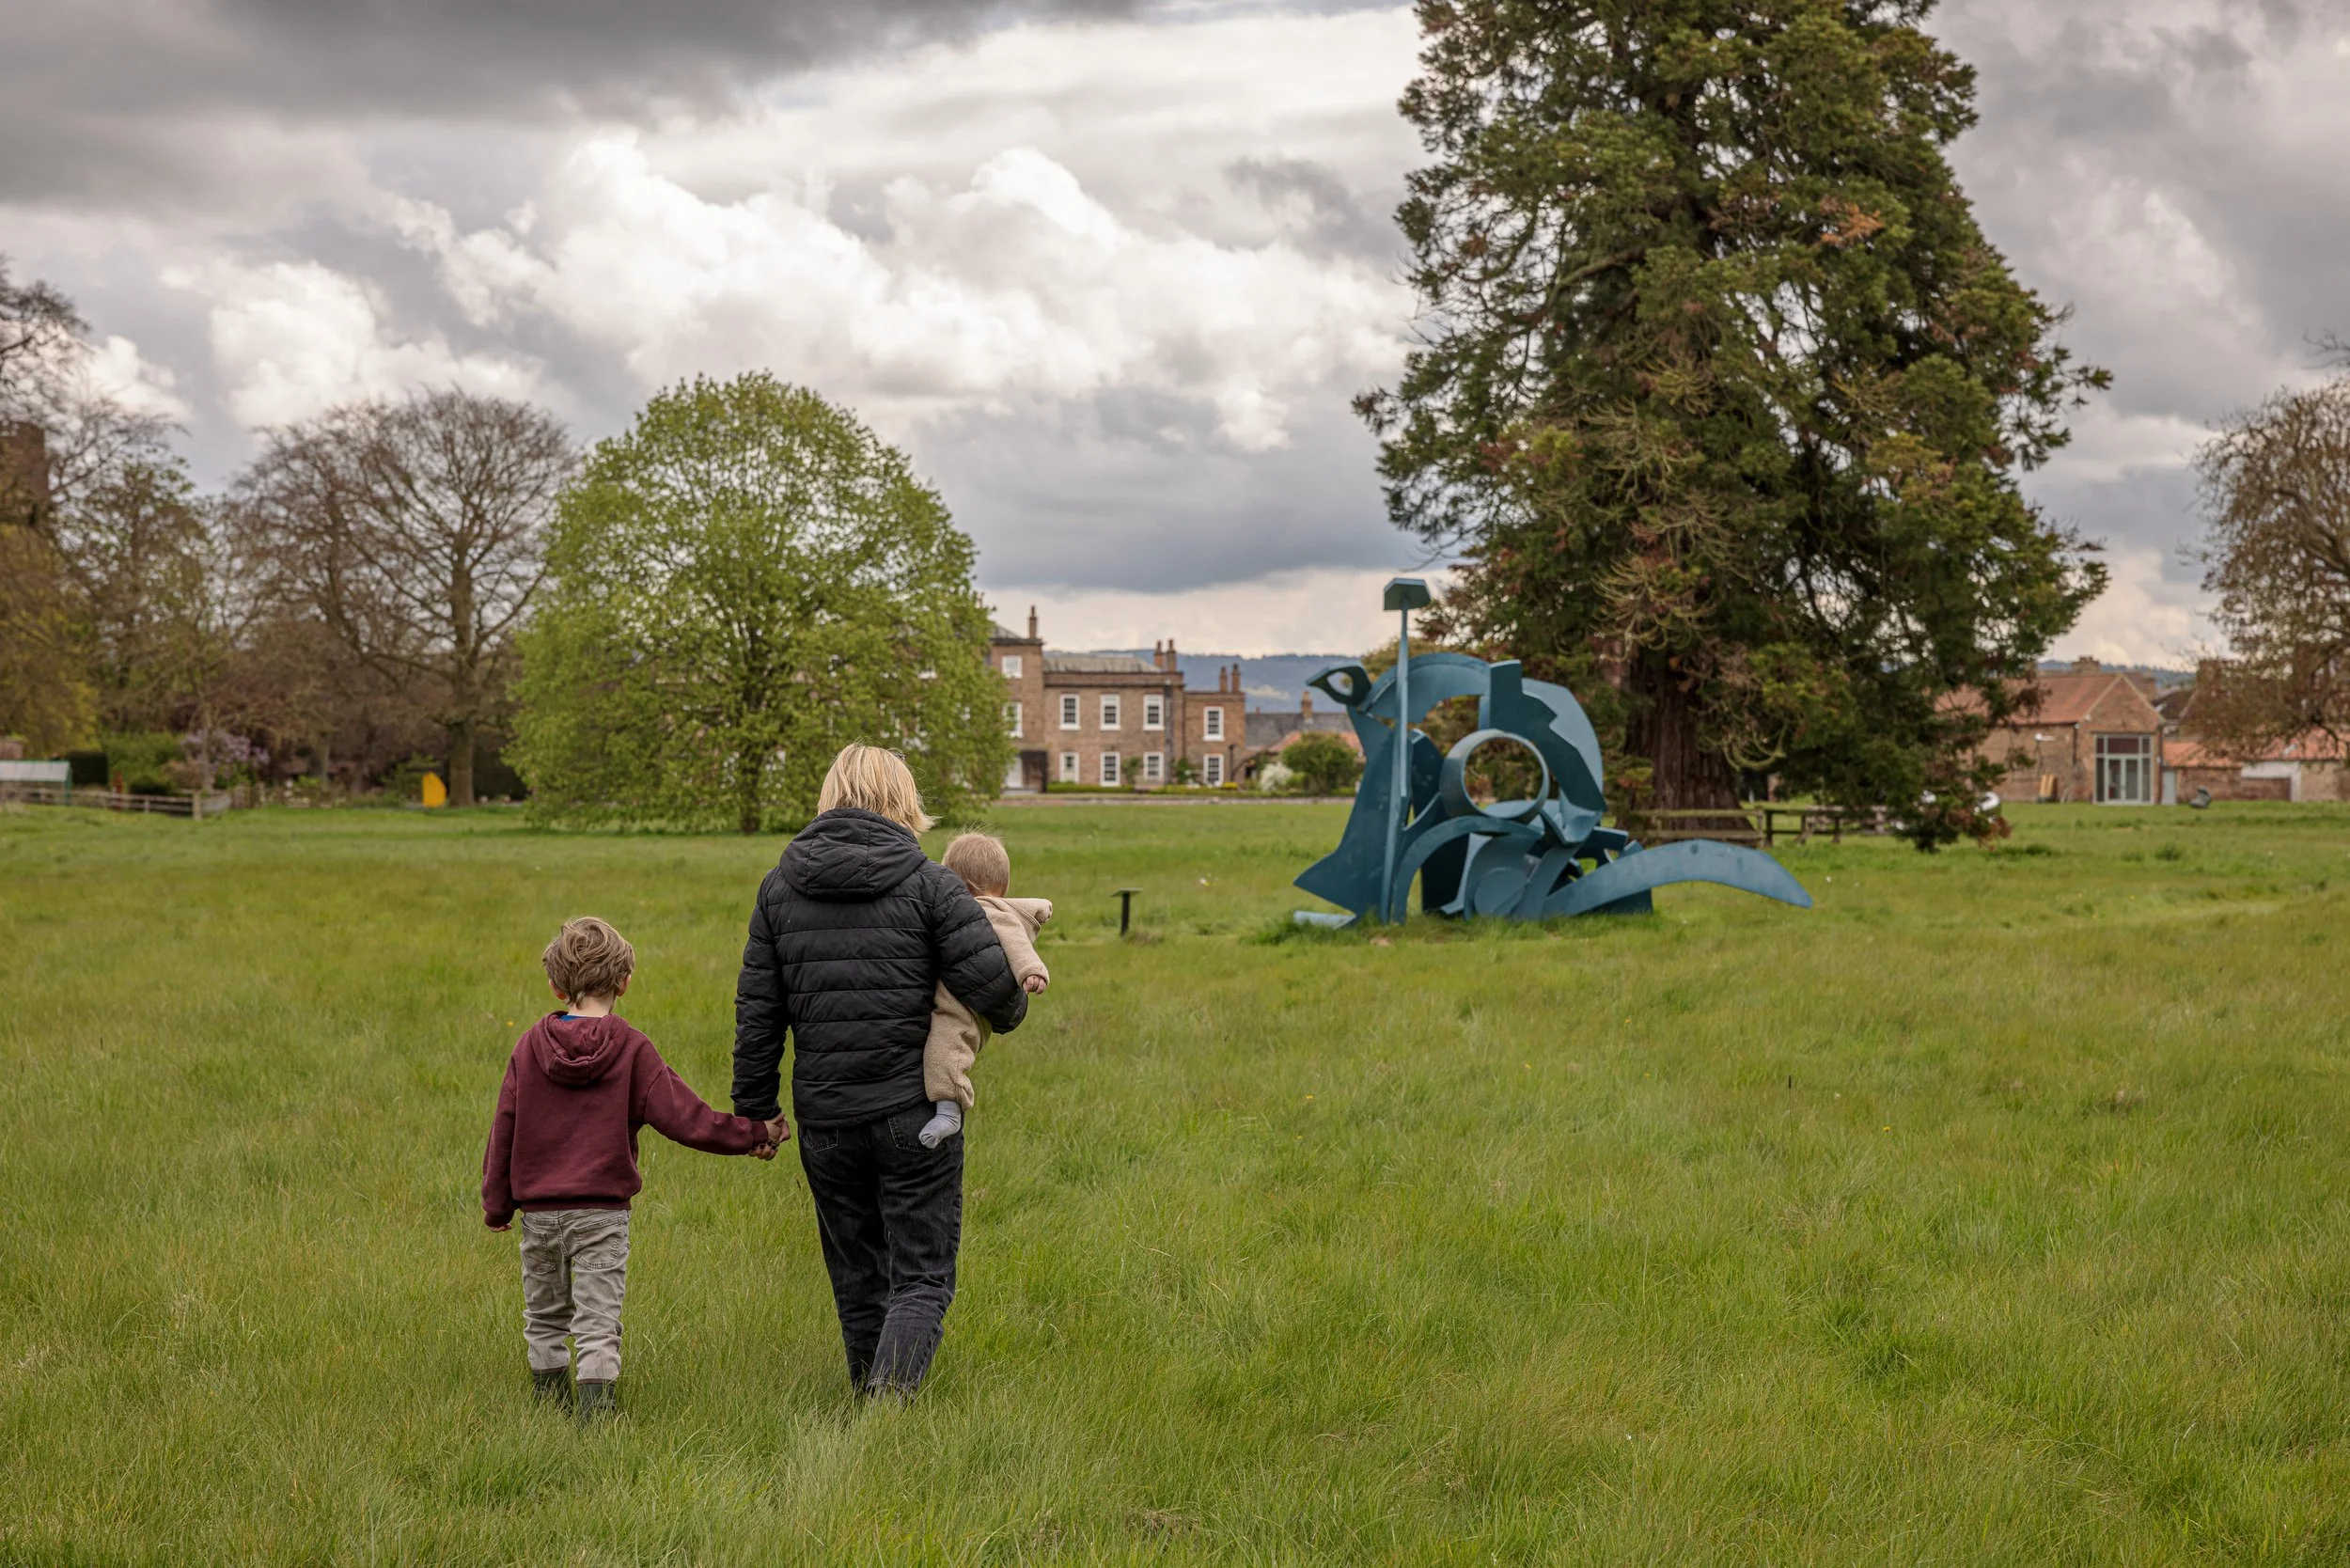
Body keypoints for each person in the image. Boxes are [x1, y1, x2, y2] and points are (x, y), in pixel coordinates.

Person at [732, 745, 1027, 1398]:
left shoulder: (779, 889)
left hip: (825, 1122)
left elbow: (759, 1012)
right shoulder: (933, 886)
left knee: (858, 1277)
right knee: (921, 1277)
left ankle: (871, 1408)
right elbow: (1003, 1004)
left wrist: (755, 1110)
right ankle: (888, 1410)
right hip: (914, 1112)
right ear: (903, 801)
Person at [482, 916, 786, 1421]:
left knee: (545, 1317)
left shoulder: (528, 1048)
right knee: (597, 1324)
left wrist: (497, 1205)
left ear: (556, 985)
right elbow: (688, 1119)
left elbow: (504, 1129)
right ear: (625, 982)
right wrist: (755, 1132)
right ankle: (597, 1422)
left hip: (539, 1216)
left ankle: (548, 1412)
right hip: (602, 1216)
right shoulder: (632, 1048)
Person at [918, 833, 1051, 1149]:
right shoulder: (981, 909)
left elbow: (1017, 943)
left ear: (957, 883)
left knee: (945, 1049)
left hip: (961, 1009)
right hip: (960, 997)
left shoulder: (986, 911)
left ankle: (950, 1109)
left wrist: (1032, 971)